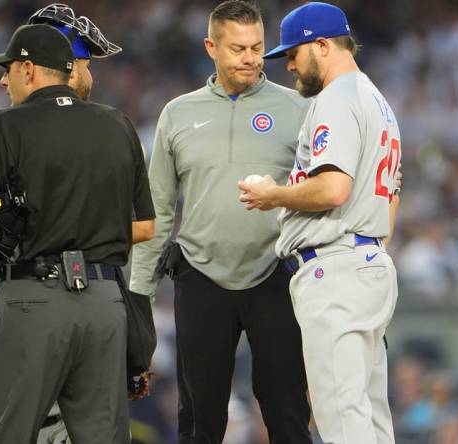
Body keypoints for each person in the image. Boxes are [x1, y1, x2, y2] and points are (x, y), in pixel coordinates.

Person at [0, 23, 154, 443]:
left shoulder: (1, 127)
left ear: (29, 68)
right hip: (104, 304)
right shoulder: (118, 124)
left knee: (8, 434)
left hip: (33, 299)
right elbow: (145, 226)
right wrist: (87, 235)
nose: (3, 79)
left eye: (7, 69)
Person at [129, 1, 312, 442]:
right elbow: (157, 206)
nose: (250, 58)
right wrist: (139, 291)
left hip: (277, 273)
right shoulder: (178, 113)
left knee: (288, 413)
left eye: (257, 47)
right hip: (201, 275)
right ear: (211, 46)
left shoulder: (301, 108)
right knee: (199, 419)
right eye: (237, 48)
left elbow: (323, 189)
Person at [239, 3, 402, 443]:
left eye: (294, 52)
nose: (288, 64)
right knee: (370, 420)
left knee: (342, 422)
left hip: (336, 270)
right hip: (365, 262)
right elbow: (393, 193)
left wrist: (273, 194)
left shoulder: (337, 100)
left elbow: (333, 189)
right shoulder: (376, 100)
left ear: (323, 45)